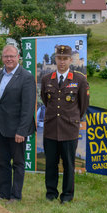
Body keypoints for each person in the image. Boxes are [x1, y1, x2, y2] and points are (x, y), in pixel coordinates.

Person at [0, 45, 36, 202]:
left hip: (17, 130)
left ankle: (15, 195)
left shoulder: (26, 77)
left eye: (12, 56)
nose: (9, 59)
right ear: (2, 58)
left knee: (18, 163)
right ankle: (3, 193)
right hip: (0, 127)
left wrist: (22, 130)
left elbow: (28, 107)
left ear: (18, 57)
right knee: (2, 162)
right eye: (6, 56)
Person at [40, 45, 89, 203]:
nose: (62, 62)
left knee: (69, 164)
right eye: (59, 58)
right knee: (51, 164)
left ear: (70, 60)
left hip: (69, 129)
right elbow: (46, 101)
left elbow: (83, 106)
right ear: (55, 59)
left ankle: (67, 196)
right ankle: (51, 193)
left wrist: (71, 118)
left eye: (65, 58)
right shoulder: (47, 79)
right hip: (51, 129)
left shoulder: (79, 80)